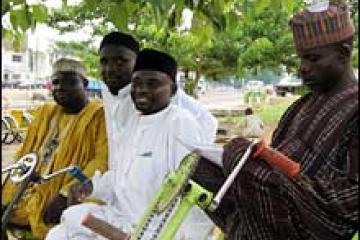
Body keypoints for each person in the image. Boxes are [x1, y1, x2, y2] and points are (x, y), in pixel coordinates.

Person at [193, 1, 358, 239]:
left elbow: (352, 198)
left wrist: (279, 180)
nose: (302, 68)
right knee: (199, 166)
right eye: (301, 59)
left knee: (240, 155)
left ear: (344, 53)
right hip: (275, 210)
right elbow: (274, 160)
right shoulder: (298, 108)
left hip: (316, 223)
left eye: (313, 58)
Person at [46, 49, 211, 239]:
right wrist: (91, 186)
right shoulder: (133, 122)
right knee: (61, 230)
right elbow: (120, 175)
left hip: (161, 229)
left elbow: (191, 190)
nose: (142, 89)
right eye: (137, 83)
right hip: (124, 220)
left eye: (152, 83)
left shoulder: (180, 123)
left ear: (172, 90)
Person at [2, 58, 108, 239]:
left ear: (85, 83)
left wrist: (65, 194)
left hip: (65, 194)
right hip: (27, 190)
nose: (60, 87)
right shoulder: (45, 112)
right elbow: (24, 155)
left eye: (70, 82)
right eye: (56, 82)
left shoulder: (99, 115)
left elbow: (101, 161)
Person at [99, 32, 218, 170]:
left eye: (120, 62)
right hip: (120, 178)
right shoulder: (108, 91)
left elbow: (208, 122)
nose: (110, 69)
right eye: (104, 62)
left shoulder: (161, 93)